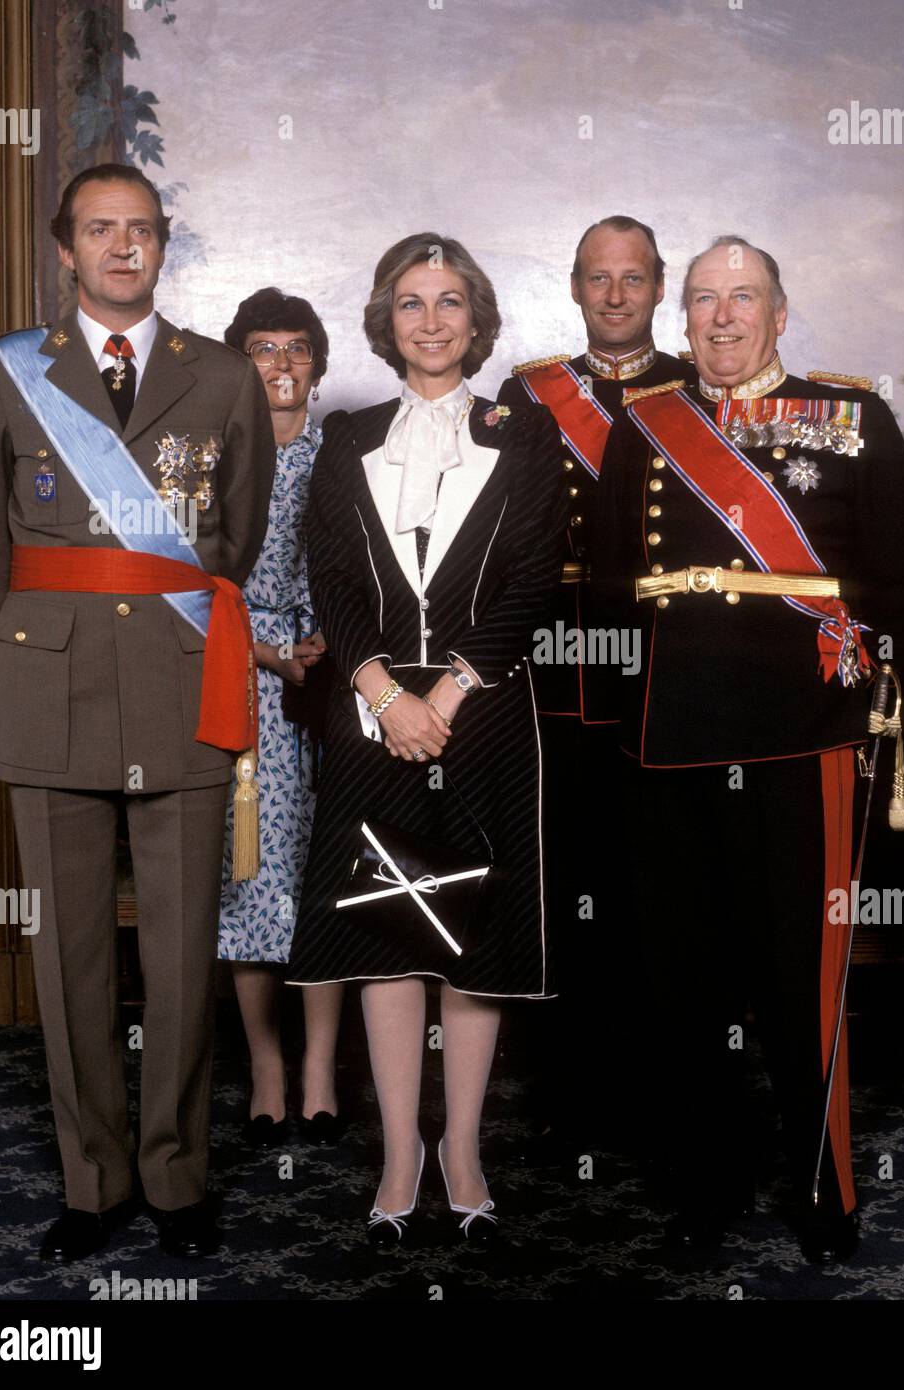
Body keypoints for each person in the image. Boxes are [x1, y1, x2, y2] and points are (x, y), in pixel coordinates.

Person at [591, 234, 904, 1261]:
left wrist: (892, 707)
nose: (721, 316)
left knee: (804, 982)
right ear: (682, 316)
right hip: (669, 740)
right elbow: (609, 587)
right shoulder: (644, 425)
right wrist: (623, 718)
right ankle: (703, 1183)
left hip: (806, 738)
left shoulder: (850, 418)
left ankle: (822, 1189)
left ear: (779, 313)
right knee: (684, 985)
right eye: (702, 299)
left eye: (741, 297)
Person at [0, 163, 275, 1259]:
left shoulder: (224, 376)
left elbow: (235, 533)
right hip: (53, 686)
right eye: (100, 230)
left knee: (183, 955)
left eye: (139, 231)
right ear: (65, 248)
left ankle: (177, 1177)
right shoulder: (5, 373)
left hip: (181, 687)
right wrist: (63, 631)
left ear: (162, 247)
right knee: (72, 954)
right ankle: (92, 1182)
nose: (121, 248)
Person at [285, 233, 567, 1245]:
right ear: (385, 320)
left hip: (483, 717)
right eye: (411, 302)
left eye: (451, 301)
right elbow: (335, 581)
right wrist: (377, 691)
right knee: (387, 930)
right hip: (371, 723)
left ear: (476, 319)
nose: (433, 320)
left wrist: (441, 695)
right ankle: (400, 1146)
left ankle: (462, 1146)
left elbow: (531, 581)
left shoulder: (521, 436)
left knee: (473, 939)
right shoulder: (347, 439)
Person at [494, 215, 696, 1155]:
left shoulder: (700, 393)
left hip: (670, 676)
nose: (615, 296)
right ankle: (567, 1077)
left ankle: (666, 1076)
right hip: (554, 679)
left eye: (634, 278)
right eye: (597, 279)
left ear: (658, 289)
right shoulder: (530, 395)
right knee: (563, 882)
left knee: (664, 887)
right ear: (575, 289)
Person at [217, 288, 344, 1145]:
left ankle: (322, 1067)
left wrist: (328, 643)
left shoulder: (350, 456)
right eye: (263, 349)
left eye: (297, 348)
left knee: (331, 876)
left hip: (341, 675)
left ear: (318, 364)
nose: (282, 366)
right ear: (239, 363)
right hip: (245, 674)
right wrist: (267, 655)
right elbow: (190, 584)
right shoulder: (217, 456)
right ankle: (266, 1060)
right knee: (253, 872)